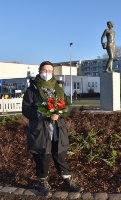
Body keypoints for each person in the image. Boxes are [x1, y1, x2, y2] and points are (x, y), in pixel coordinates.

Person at [22, 61, 83, 195]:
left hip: (57, 128)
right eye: (45, 70)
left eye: (50, 71)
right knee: (43, 157)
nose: (47, 73)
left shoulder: (57, 88)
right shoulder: (32, 89)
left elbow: (66, 105)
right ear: (39, 71)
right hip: (40, 130)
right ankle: (43, 183)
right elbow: (26, 109)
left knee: (60, 155)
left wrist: (59, 113)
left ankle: (68, 181)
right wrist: (42, 114)